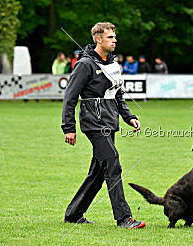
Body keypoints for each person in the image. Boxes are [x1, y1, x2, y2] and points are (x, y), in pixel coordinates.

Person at [61, 22, 146, 229]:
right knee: (113, 163)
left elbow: (118, 95)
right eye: (110, 37)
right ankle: (124, 218)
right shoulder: (85, 64)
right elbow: (70, 97)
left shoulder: (113, 64)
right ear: (98, 39)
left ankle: (73, 214)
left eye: (115, 37)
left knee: (98, 172)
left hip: (110, 122)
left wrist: (129, 117)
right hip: (93, 124)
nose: (114, 40)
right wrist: (69, 127)